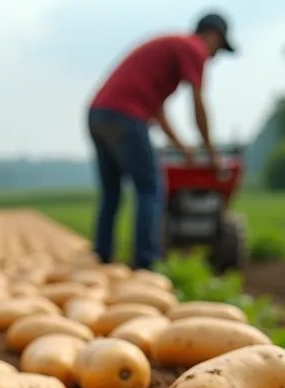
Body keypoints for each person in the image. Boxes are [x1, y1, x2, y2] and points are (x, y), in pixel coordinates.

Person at [87, 12, 235, 270]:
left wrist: (182, 147)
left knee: (111, 192)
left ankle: (101, 255)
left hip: (99, 114)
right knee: (151, 187)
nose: (214, 57)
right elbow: (198, 103)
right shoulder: (194, 48)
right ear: (213, 36)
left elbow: (157, 110)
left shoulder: (171, 46)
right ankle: (146, 263)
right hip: (125, 115)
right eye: (218, 49)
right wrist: (211, 153)